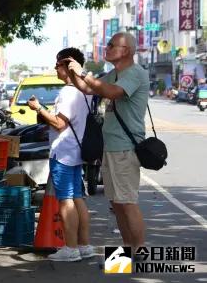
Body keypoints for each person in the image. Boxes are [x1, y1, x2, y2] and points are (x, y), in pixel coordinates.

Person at [66, 32, 148, 251]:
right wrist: (71, 72)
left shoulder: (135, 73)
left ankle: (139, 250)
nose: (108, 48)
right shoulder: (113, 73)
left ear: (127, 51)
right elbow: (87, 88)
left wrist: (82, 72)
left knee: (127, 203)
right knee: (116, 204)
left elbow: (111, 93)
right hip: (110, 147)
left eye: (112, 45)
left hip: (125, 148)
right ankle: (126, 250)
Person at [27, 47, 94, 262]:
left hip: (64, 153)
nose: (55, 68)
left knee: (66, 201)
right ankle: (84, 246)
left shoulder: (68, 92)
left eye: (57, 64)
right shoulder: (86, 91)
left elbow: (59, 123)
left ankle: (71, 248)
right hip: (77, 151)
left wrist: (38, 108)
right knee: (78, 198)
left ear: (68, 65)